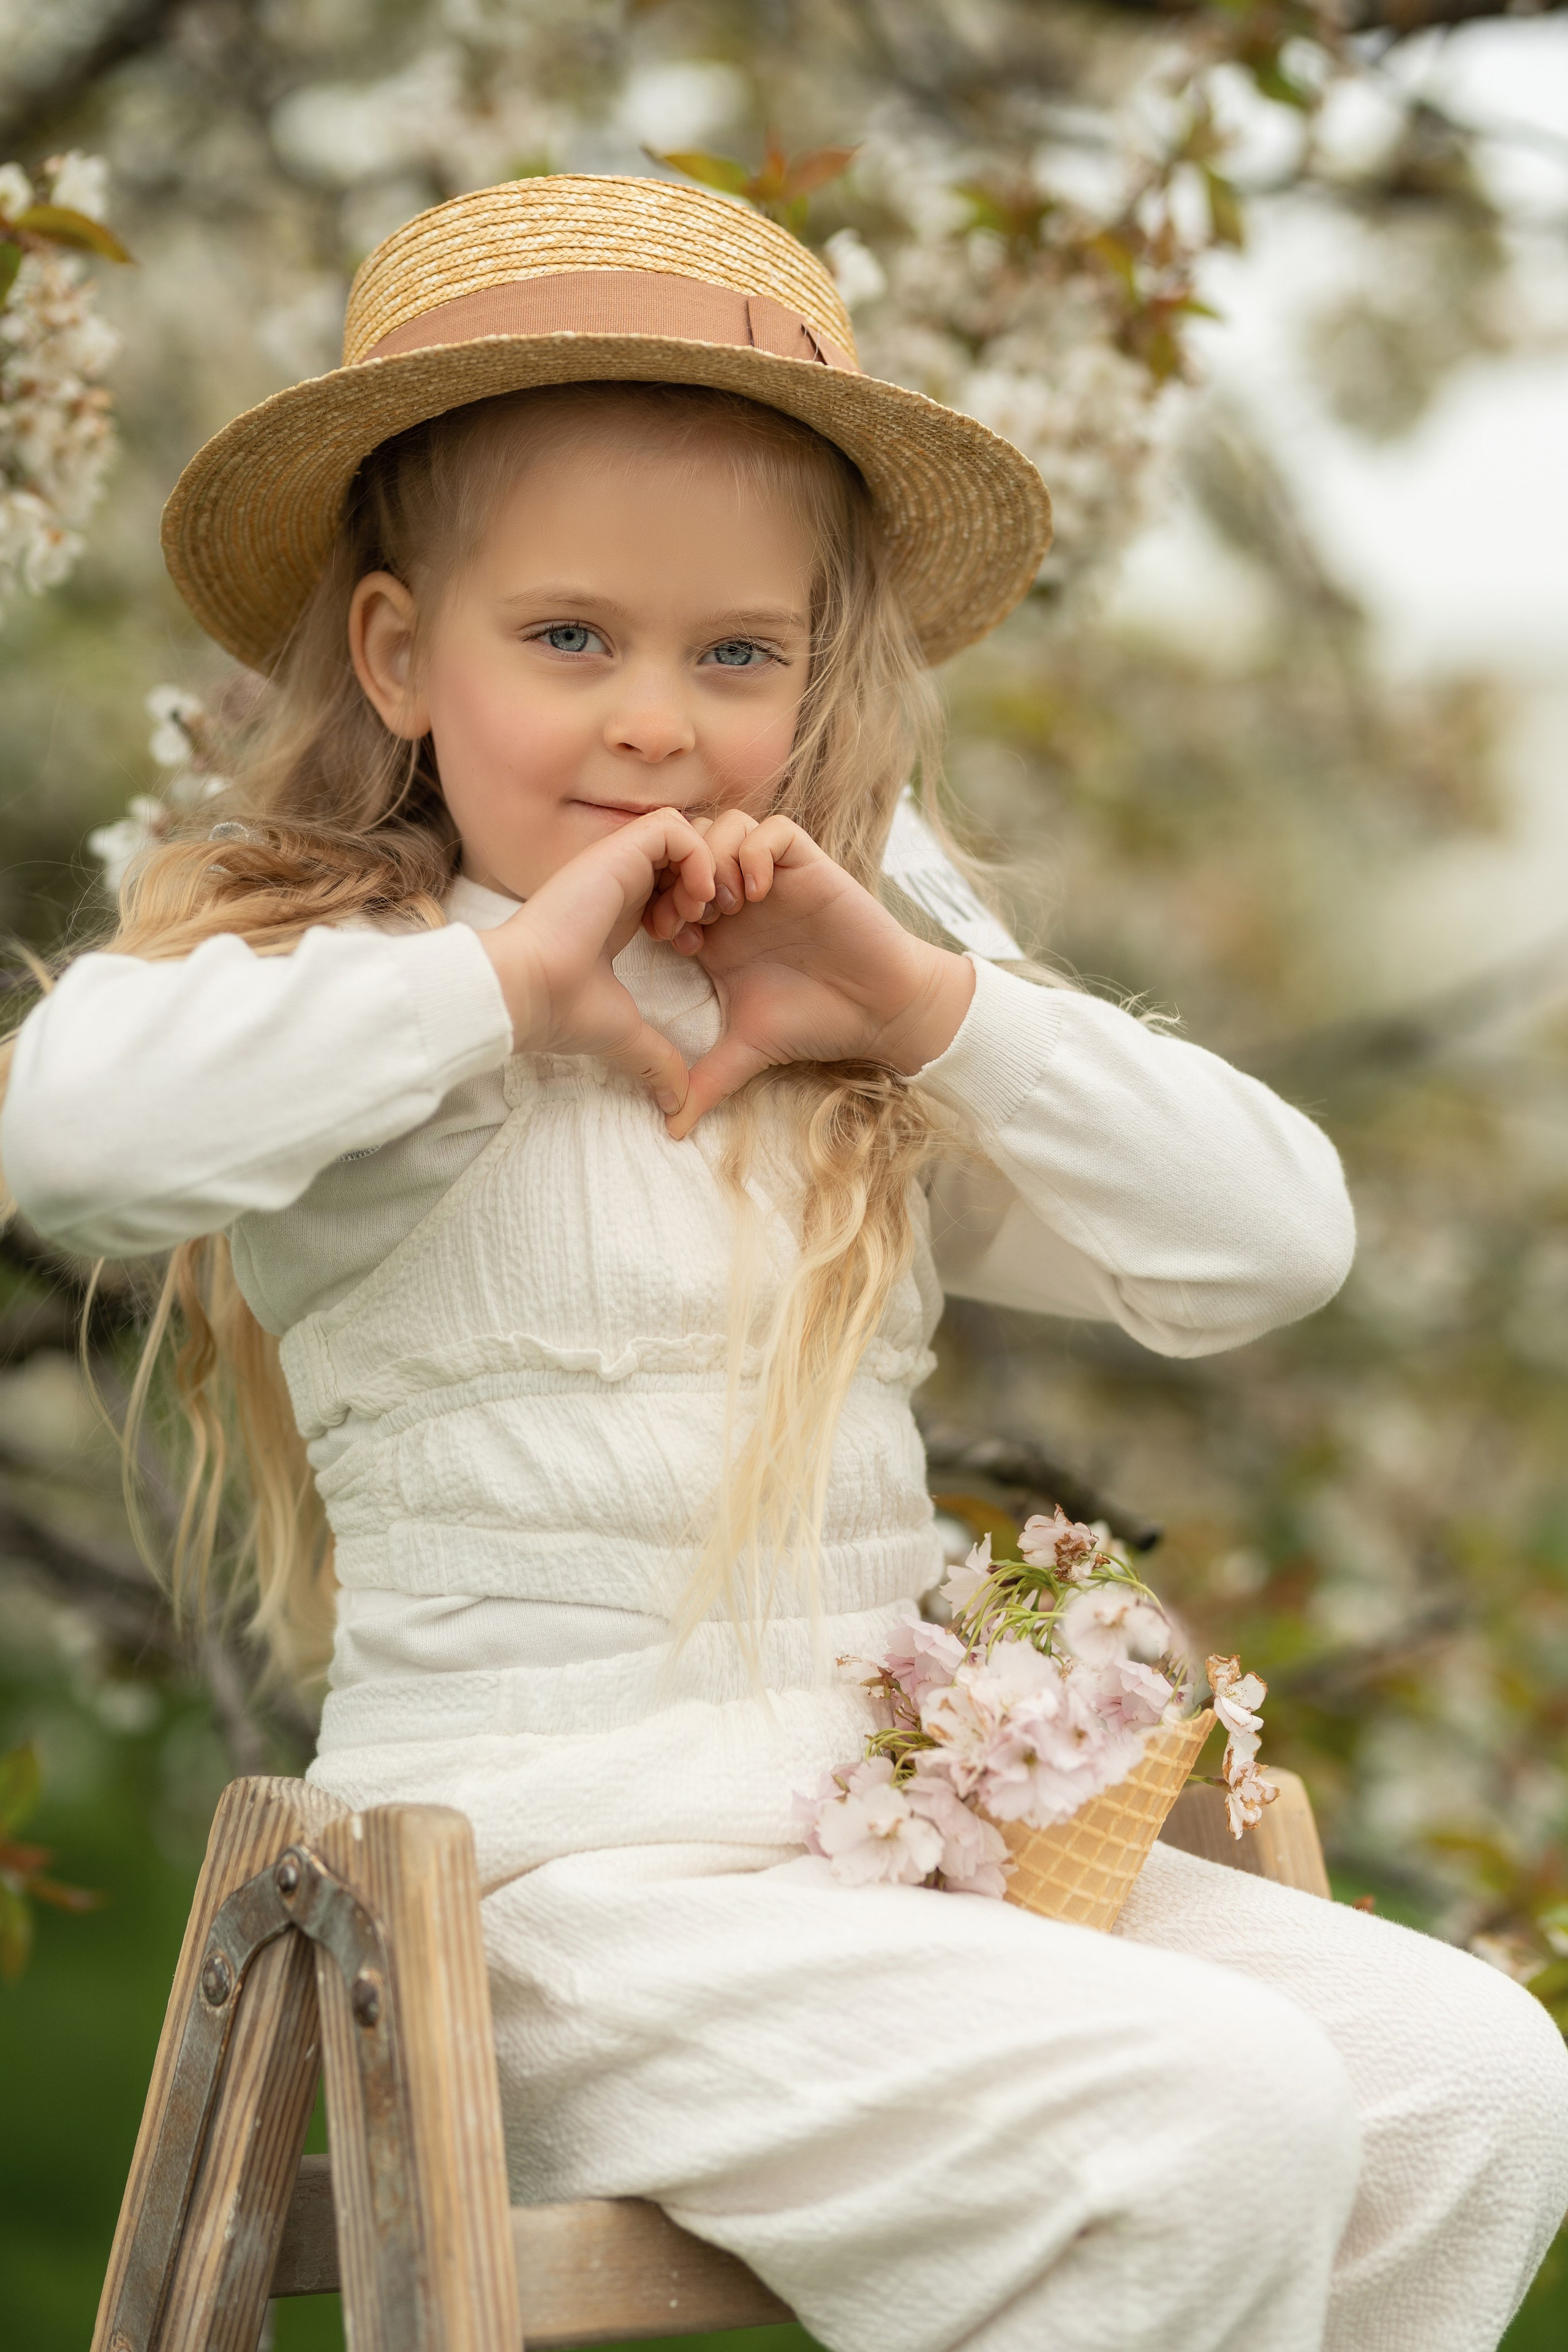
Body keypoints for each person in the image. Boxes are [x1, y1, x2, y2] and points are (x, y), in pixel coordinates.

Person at [3, 175, 1564, 2352]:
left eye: (736, 654)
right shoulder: (368, 997)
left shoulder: (835, 1020)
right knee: (1202, 2113)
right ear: (396, 655)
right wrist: (510, 991)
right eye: (570, 639)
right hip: (533, 1904)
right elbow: (68, 1144)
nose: (657, 719)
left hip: (881, 1881)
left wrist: (929, 1008)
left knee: (1471, 2077)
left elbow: (1274, 1244)